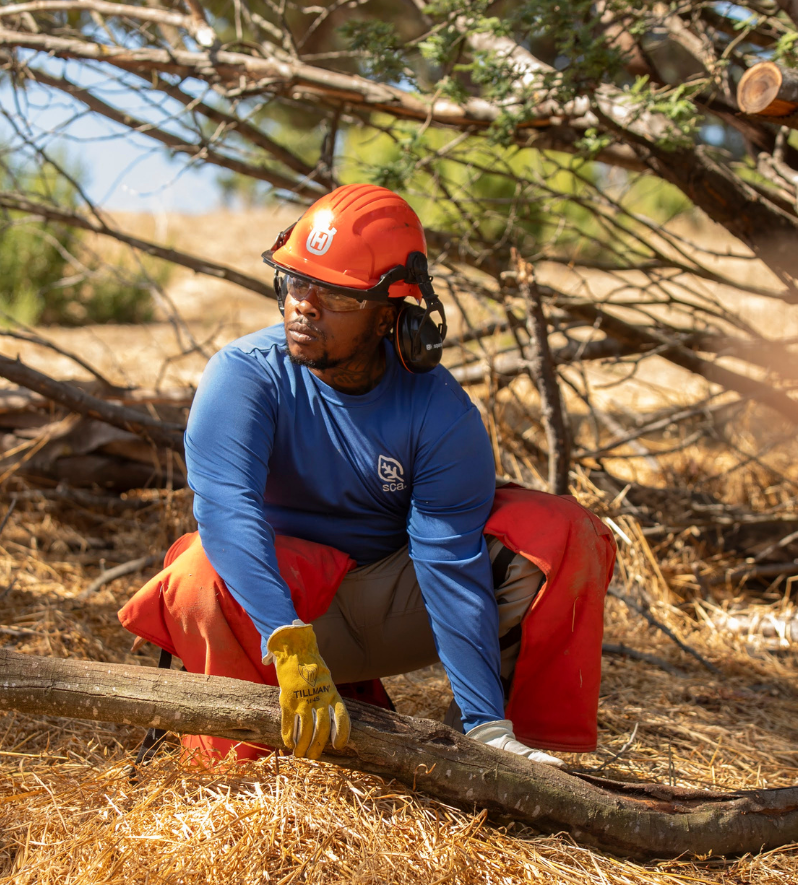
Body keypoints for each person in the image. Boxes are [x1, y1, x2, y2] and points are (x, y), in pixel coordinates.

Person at [118, 183, 616, 764]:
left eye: (335, 295)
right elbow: (227, 511)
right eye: (295, 282)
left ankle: (500, 751)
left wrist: (486, 724)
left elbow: (448, 558)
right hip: (284, 619)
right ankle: (238, 771)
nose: (303, 304)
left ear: (390, 317)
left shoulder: (439, 410)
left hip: (394, 604)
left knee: (559, 531)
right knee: (198, 571)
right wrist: (288, 638)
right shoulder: (244, 377)